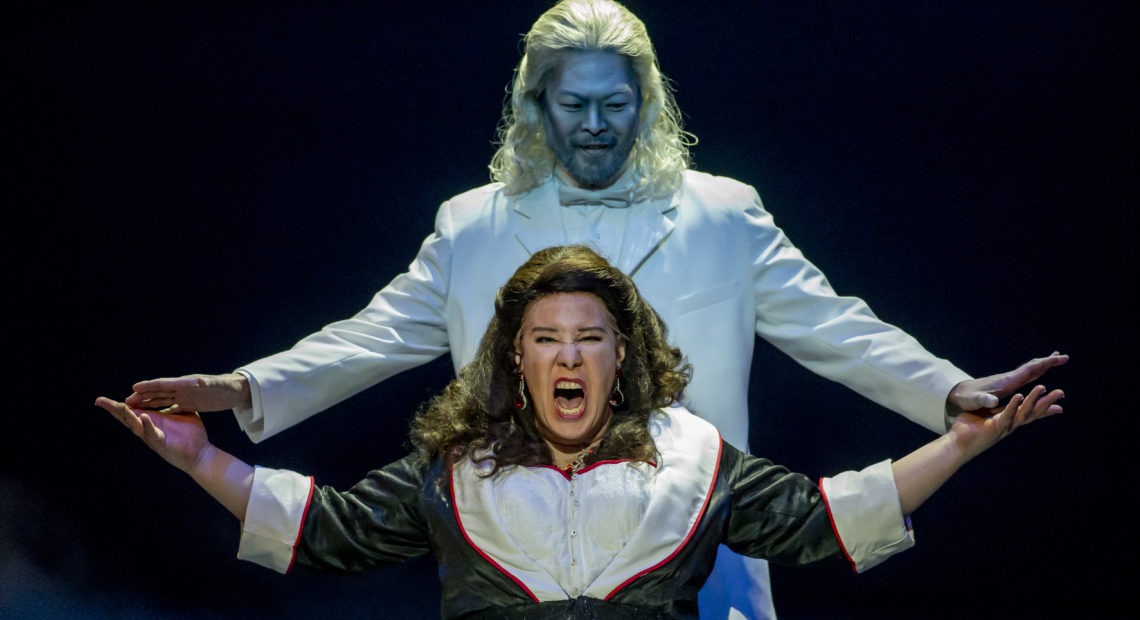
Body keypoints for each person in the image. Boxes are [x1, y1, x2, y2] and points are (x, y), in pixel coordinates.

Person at [122, 1, 1069, 617]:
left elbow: (837, 328)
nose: (594, 126)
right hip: (517, 561)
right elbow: (364, 343)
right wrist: (239, 388)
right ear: (535, 107)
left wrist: (949, 393)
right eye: (572, 104)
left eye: (615, 104)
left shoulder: (722, 215)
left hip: (705, 565)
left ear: (645, 102)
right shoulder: (474, 227)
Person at [98, 245, 1065, 619]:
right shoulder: (458, 471)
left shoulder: (693, 458)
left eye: (589, 338)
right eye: (547, 339)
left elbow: (826, 518)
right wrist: (202, 456)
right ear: (517, 359)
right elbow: (322, 529)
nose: (569, 356)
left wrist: (964, 442)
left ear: (621, 354)